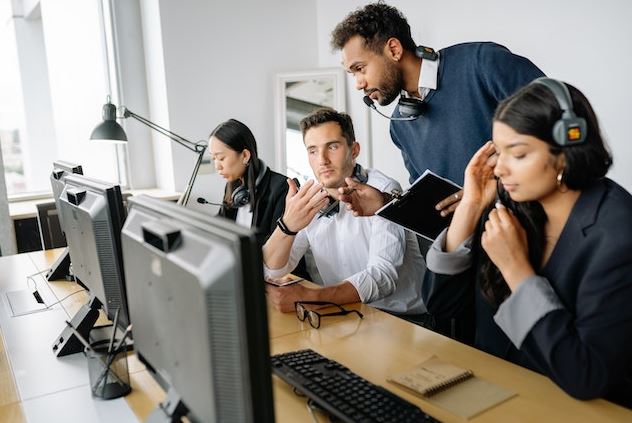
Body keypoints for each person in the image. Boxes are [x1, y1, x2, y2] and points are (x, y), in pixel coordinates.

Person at [422, 77, 632, 407]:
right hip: (491, 397)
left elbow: (587, 376)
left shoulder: (618, 234)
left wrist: (517, 270)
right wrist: (471, 205)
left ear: (567, 148)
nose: (500, 169)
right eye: (498, 152)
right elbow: (442, 306)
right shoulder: (510, 204)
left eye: (517, 154)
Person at [331, 2, 544, 216]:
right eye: (353, 74)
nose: (358, 83)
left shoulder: (481, 63)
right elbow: (431, 204)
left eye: (360, 69)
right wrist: (385, 202)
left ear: (394, 50)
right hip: (477, 246)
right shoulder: (400, 126)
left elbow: (555, 124)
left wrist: (487, 193)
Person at [263, 108, 427, 322]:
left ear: (354, 149)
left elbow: (383, 276)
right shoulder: (310, 198)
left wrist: (313, 297)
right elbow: (273, 271)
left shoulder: (384, 190)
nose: (322, 160)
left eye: (332, 147)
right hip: (346, 314)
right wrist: (287, 226)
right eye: (313, 151)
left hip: (404, 321)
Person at [209, 119, 288, 244]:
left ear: (245, 155)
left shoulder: (281, 187)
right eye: (213, 158)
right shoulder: (233, 187)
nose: (217, 166)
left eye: (221, 158)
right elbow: (221, 224)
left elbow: (278, 246)